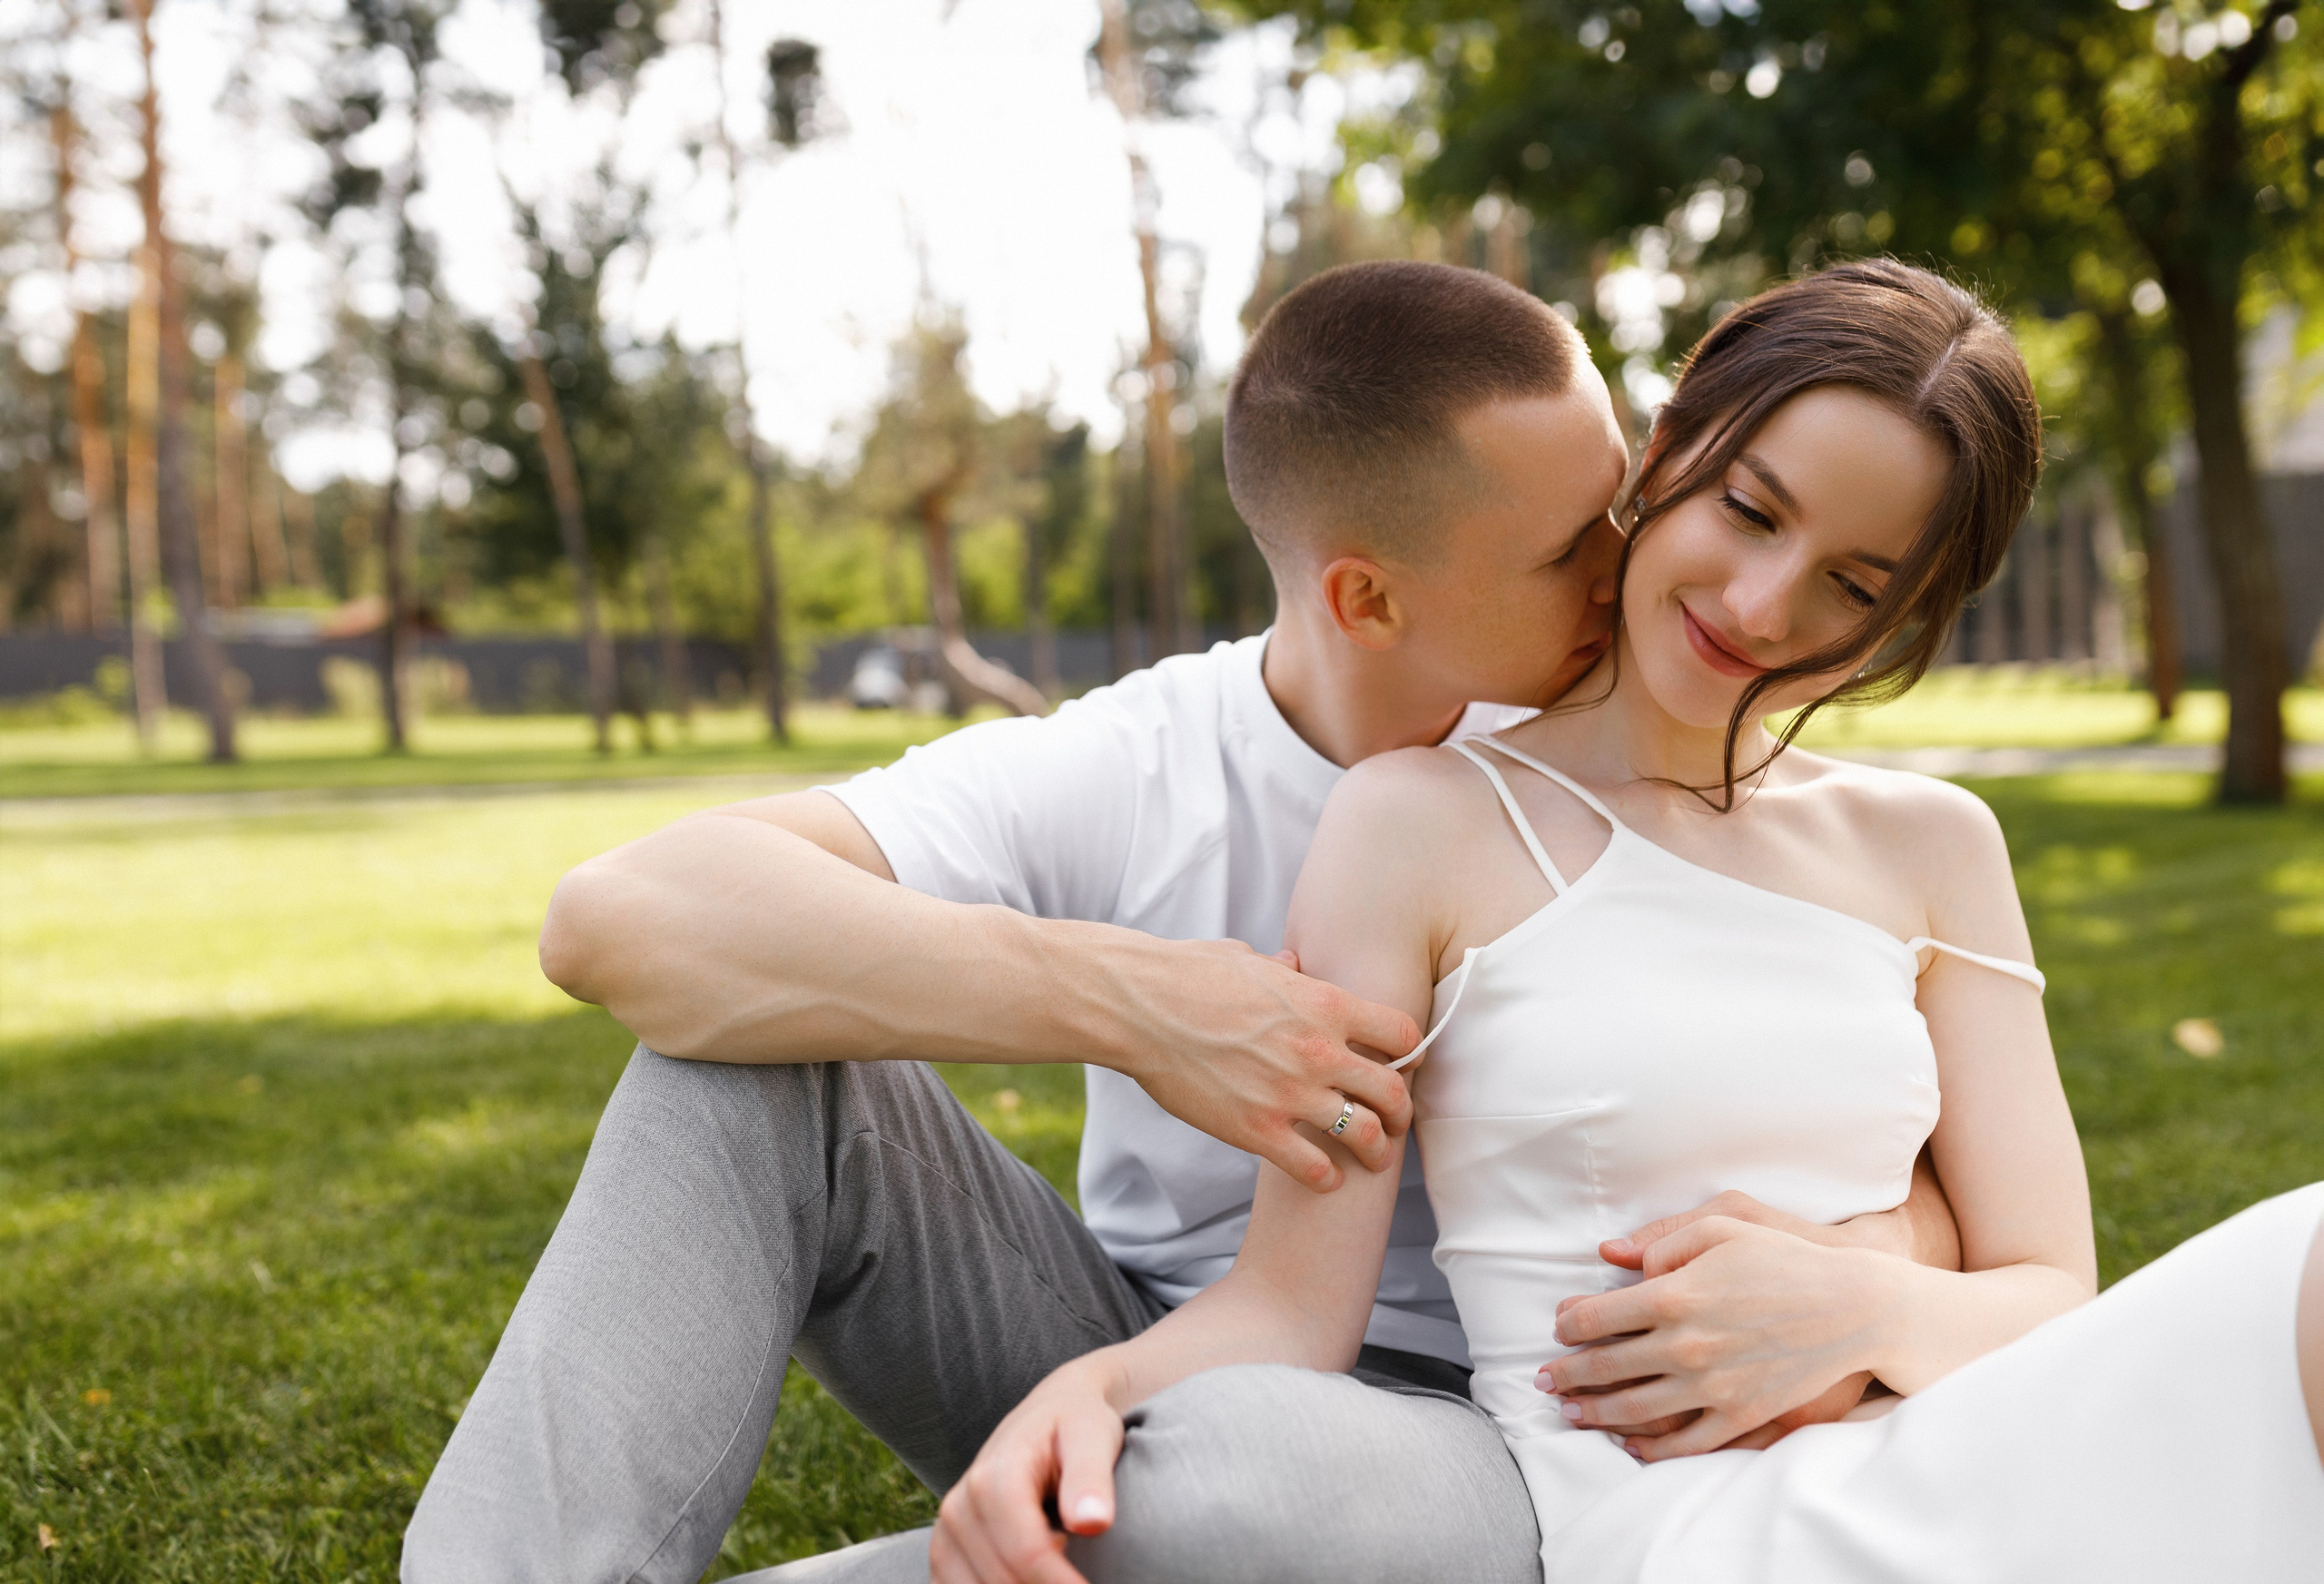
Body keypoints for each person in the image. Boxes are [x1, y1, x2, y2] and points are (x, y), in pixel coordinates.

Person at [401, 262, 1963, 1584]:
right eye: (1573, 545)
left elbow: (1883, 1110)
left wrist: (1872, 1260)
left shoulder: (1659, 741)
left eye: (1623, 502)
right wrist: (1137, 1001)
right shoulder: (1142, 763)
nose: (1643, 564)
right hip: (1135, 1351)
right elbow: (620, 919)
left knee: (1254, 1495)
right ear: (1369, 599)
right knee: (745, 1057)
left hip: (1482, 1433)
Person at [932, 261, 2324, 1584]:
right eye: (1753, 511)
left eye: (1855, 584)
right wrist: (1092, 1386)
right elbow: (1293, 1308)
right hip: (1682, 1523)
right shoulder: (1413, 822)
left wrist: (1868, 1305)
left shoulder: (1934, 845)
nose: (1762, 606)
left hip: (1972, 1439)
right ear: (1666, 449)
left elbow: (2053, 1287)